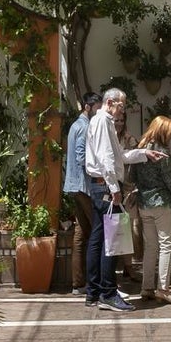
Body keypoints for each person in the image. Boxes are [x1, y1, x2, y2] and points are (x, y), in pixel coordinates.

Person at [84, 88, 164, 312]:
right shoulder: (103, 122)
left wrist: (144, 154)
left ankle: (94, 292)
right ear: (110, 102)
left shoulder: (101, 121)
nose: (123, 110)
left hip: (99, 185)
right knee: (112, 240)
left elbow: (117, 156)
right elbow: (107, 159)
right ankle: (108, 293)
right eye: (121, 106)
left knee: (98, 239)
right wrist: (114, 188)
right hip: (106, 186)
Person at [133, 116, 171, 304]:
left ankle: (146, 288)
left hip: (144, 204)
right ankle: (163, 289)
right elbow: (170, 180)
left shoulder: (140, 149)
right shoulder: (162, 151)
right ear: (162, 131)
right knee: (167, 245)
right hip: (161, 203)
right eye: (170, 132)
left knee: (150, 247)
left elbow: (132, 177)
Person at [64, 92, 102, 296]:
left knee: (81, 233)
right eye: (97, 107)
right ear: (88, 107)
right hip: (84, 186)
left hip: (73, 185)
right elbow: (81, 156)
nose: (99, 111)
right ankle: (96, 281)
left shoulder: (74, 126)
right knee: (98, 229)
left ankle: (78, 283)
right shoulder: (85, 126)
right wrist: (98, 172)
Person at [115, 112, 143, 282]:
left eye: (121, 120)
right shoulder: (108, 138)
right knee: (115, 229)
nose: (119, 123)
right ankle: (119, 266)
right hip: (113, 188)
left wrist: (136, 188)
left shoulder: (130, 139)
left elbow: (137, 163)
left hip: (129, 189)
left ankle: (128, 266)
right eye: (116, 120)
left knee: (129, 230)